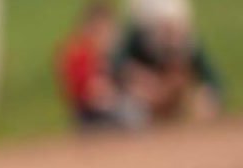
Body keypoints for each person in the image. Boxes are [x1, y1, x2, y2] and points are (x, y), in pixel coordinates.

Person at [112, 0, 223, 124]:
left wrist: (207, 97)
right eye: (165, 29)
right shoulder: (138, 39)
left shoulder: (187, 44)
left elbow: (213, 80)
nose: (169, 35)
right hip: (141, 103)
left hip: (175, 108)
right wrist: (139, 77)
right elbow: (115, 66)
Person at [57, 1, 126, 130]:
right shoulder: (80, 52)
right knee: (128, 114)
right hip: (88, 113)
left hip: (105, 106)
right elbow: (91, 92)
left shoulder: (106, 53)